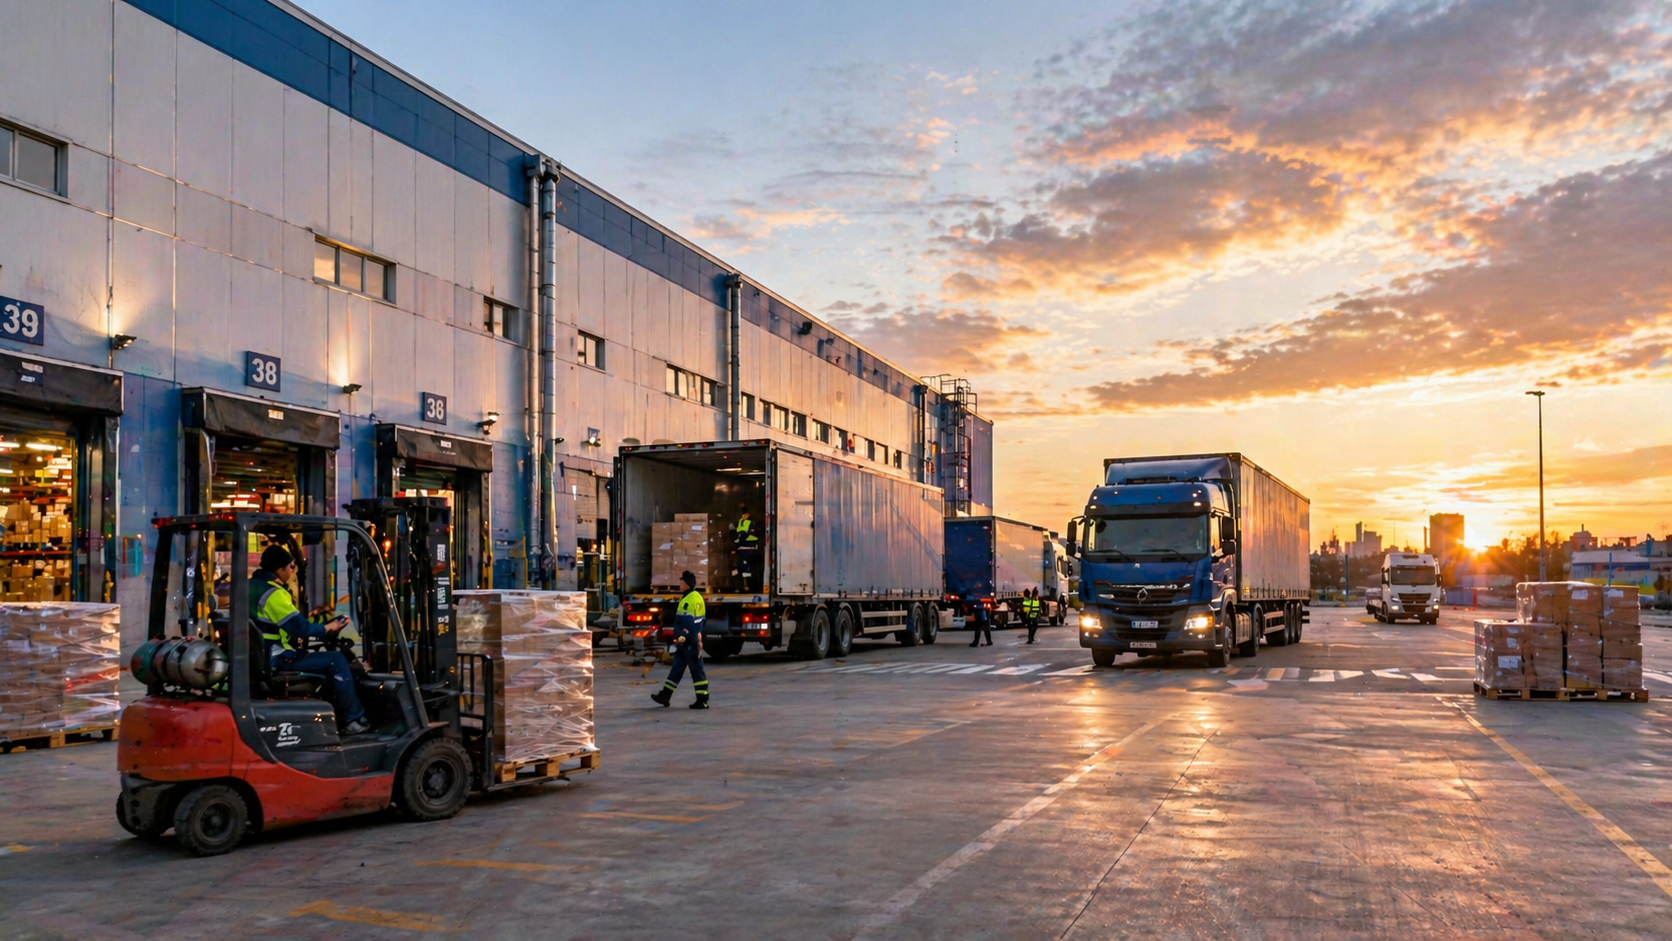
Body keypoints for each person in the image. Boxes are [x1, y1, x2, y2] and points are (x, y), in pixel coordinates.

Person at [251, 544, 371, 734]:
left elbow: (281, 624)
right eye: (291, 567)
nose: (292, 571)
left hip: (261, 657)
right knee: (336, 660)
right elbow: (303, 629)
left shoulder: (249, 587)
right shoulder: (273, 594)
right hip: (277, 659)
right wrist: (330, 626)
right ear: (279, 569)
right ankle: (353, 719)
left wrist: (317, 620)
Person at [653, 571, 710, 709]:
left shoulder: (689, 600)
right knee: (677, 668)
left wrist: (684, 635)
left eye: (681, 581)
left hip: (689, 641)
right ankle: (665, 696)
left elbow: (688, 621)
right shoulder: (695, 596)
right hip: (687, 641)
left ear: (687, 584)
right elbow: (700, 620)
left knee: (696, 670)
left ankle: (702, 700)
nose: (679, 584)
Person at [733, 505, 760, 592]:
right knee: (741, 568)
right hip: (743, 547)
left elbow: (745, 534)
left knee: (747, 568)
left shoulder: (751, 522)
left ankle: (748, 586)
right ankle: (743, 586)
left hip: (749, 547)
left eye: (744, 514)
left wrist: (737, 543)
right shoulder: (740, 521)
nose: (743, 515)